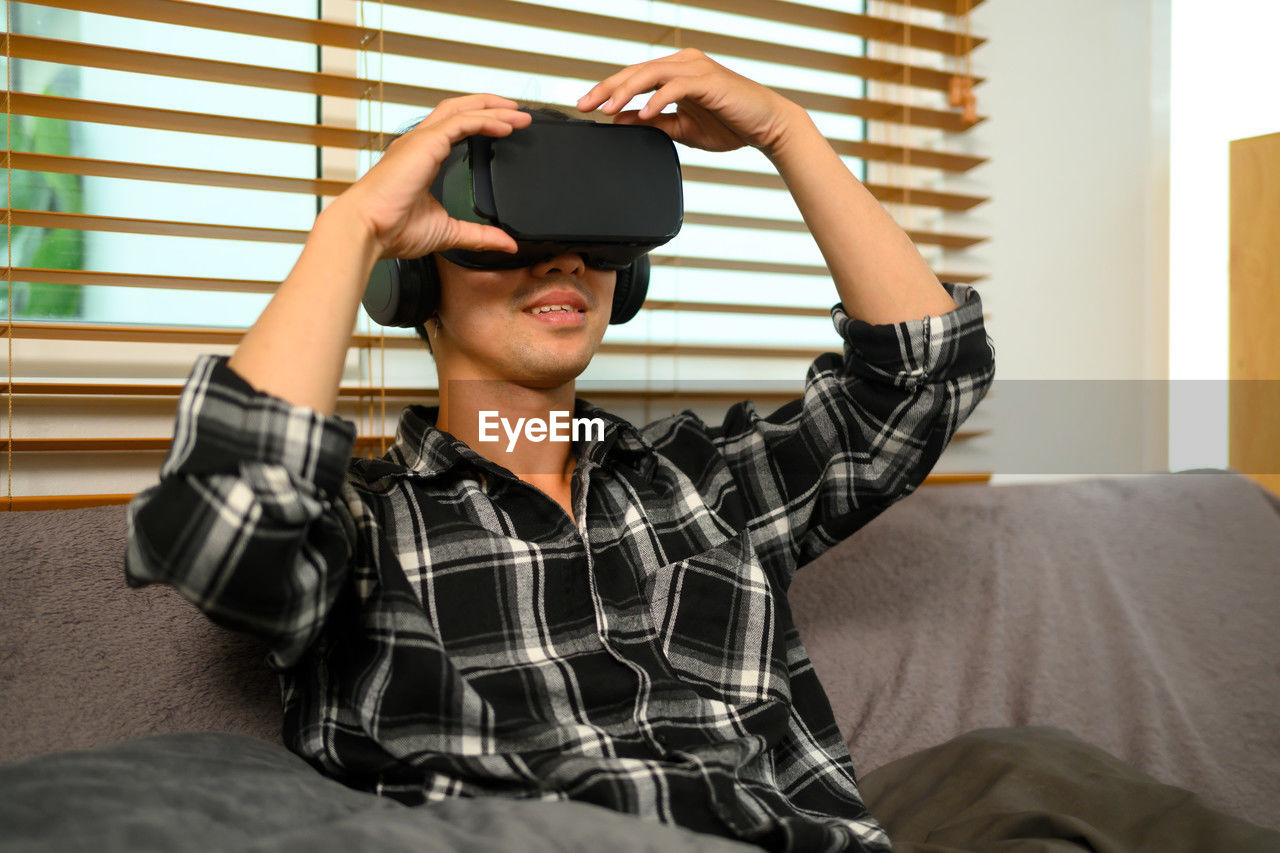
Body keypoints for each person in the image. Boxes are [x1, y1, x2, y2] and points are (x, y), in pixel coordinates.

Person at [125, 50, 994, 852]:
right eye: (519, 231)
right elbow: (224, 528)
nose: (566, 261)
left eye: (598, 237)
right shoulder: (362, 526)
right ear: (416, 276)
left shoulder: (705, 481)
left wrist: (784, 131)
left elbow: (926, 380)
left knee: (1030, 771)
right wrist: (354, 229)